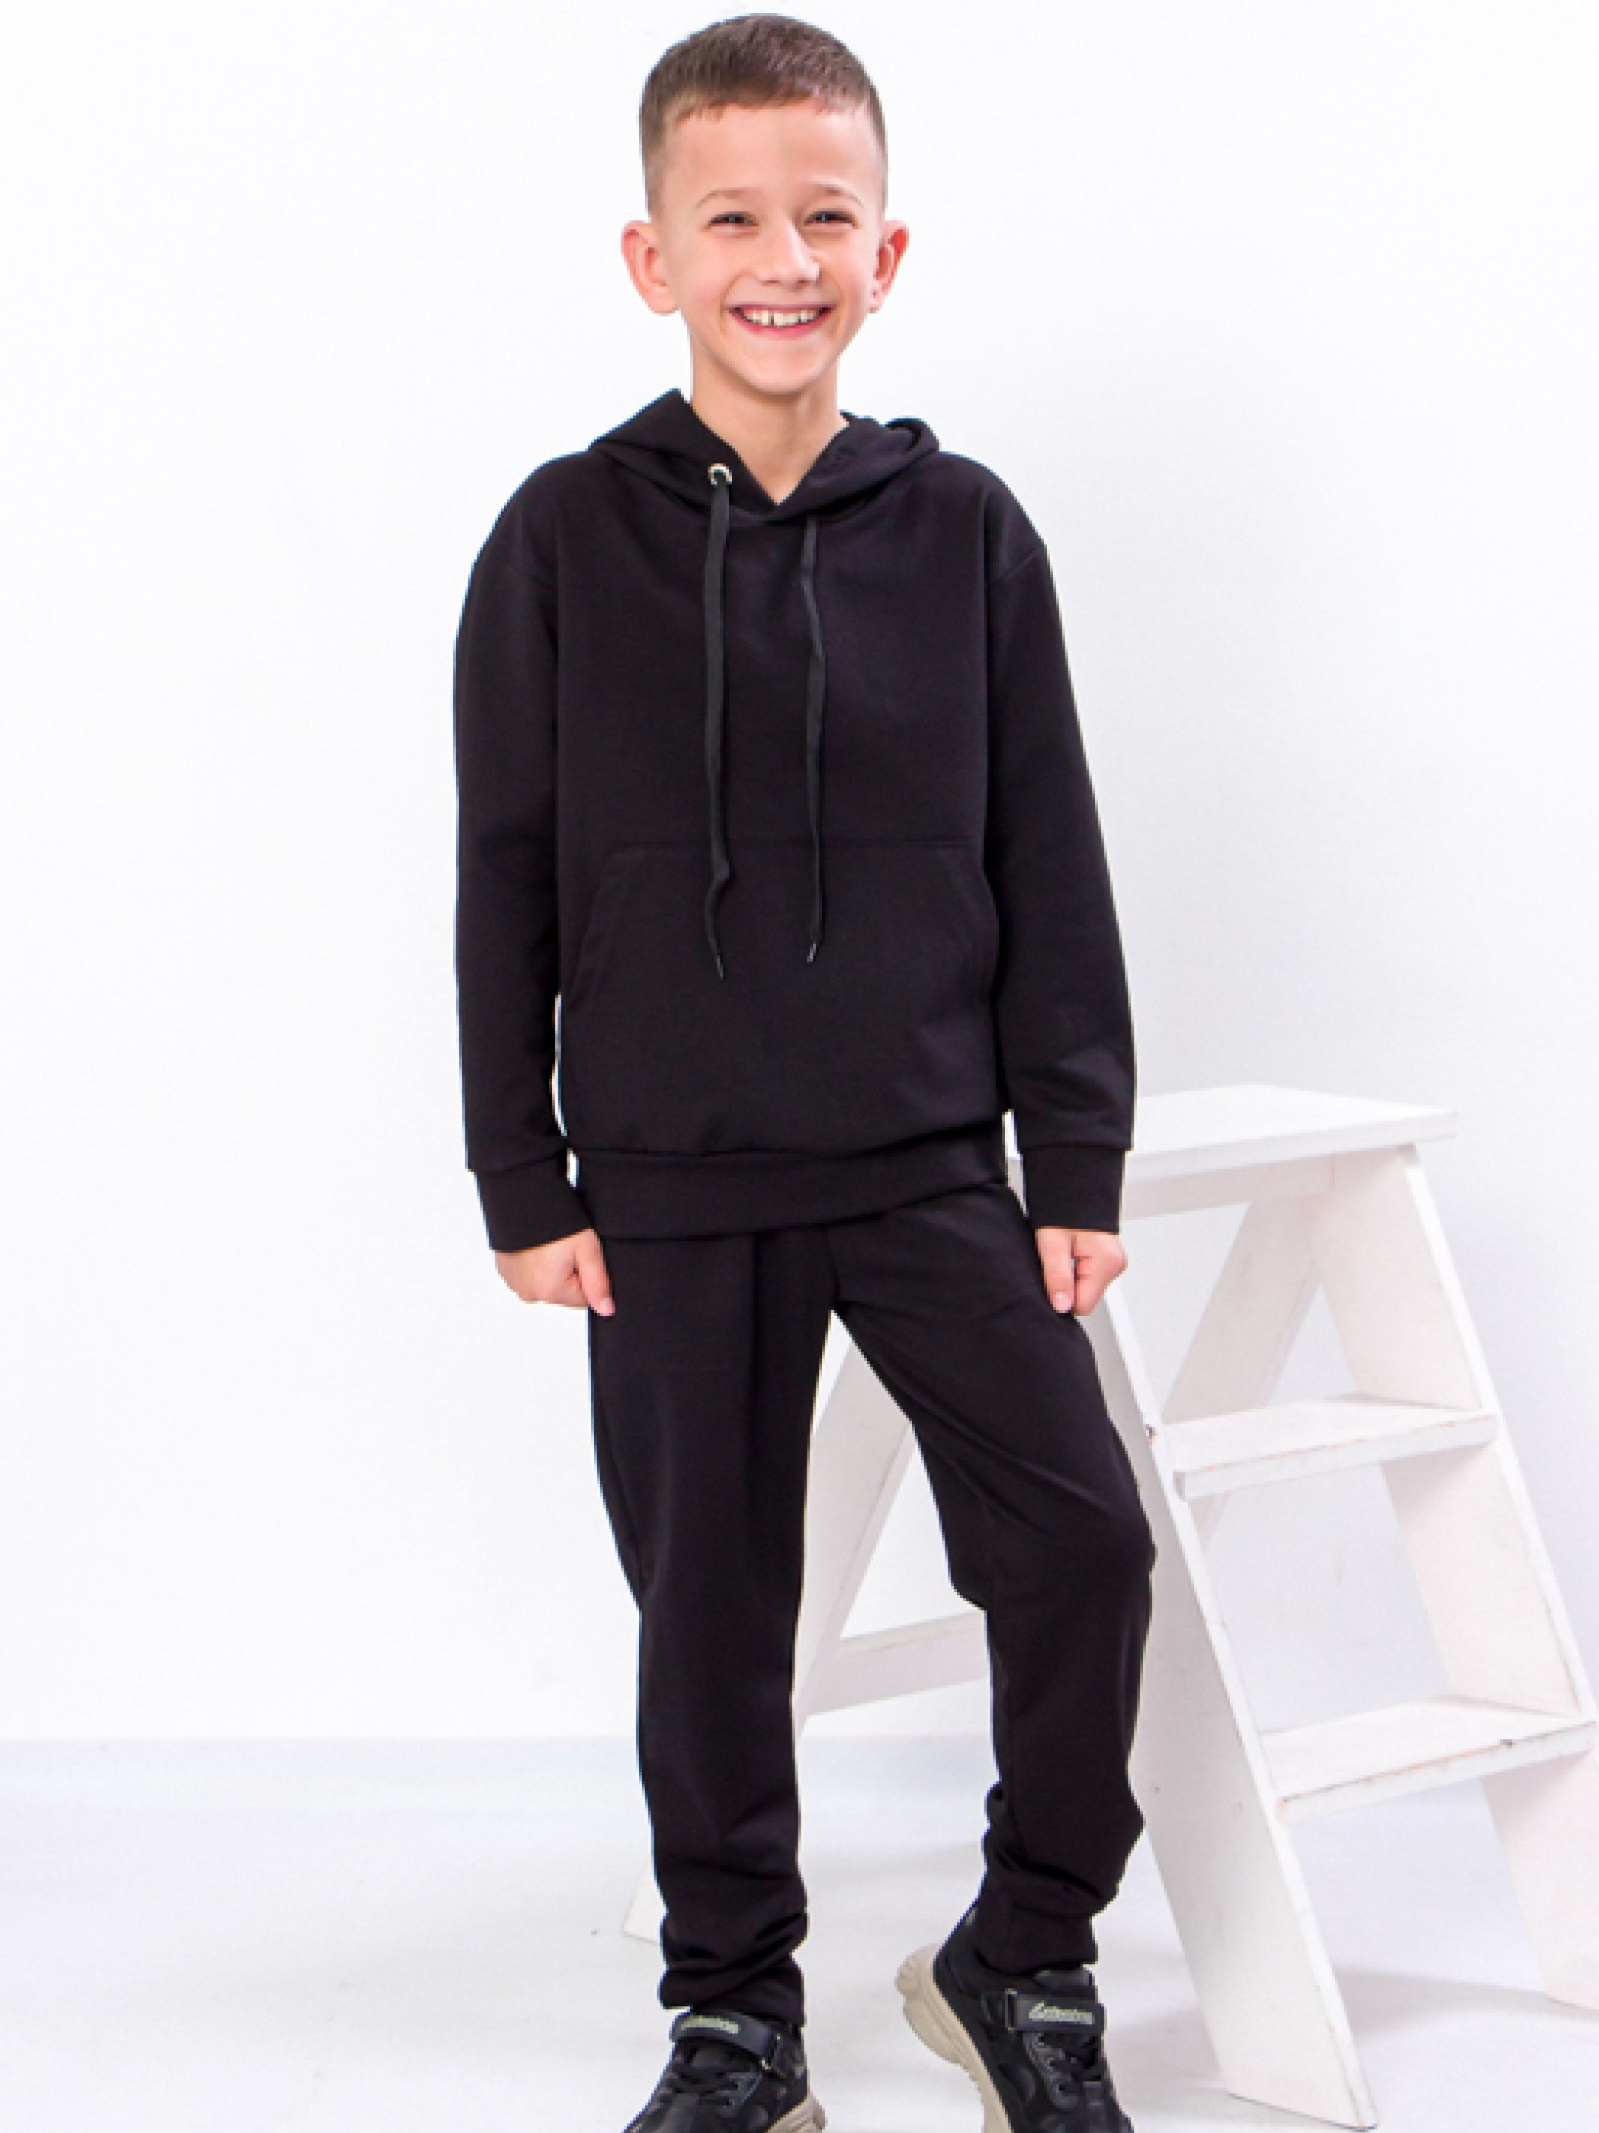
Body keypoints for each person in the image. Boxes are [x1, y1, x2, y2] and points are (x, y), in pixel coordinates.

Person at [452, 15, 1156, 2131]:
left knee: (1077, 1542)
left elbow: (1049, 850)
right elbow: (502, 875)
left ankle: (1024, 1948)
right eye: (733, 218)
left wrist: (1074, 1148)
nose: (784, 258)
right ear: (651, 257)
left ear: (887, 250)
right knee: (708, 1613)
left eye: (824, 216)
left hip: (928, 1154)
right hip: (663, 1177)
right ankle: (734, 2019)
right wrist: (519, 1174)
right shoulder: (558, 542)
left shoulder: (969, 534)